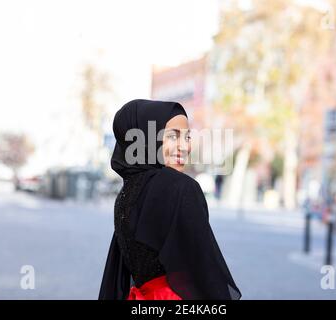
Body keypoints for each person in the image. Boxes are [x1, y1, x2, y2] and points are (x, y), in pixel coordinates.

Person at [98, 99, 241, 300]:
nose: (185, 146)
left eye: (187, 137)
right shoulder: (179, 188)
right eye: (173, 136)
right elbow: (206, 276)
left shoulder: (126, 195)